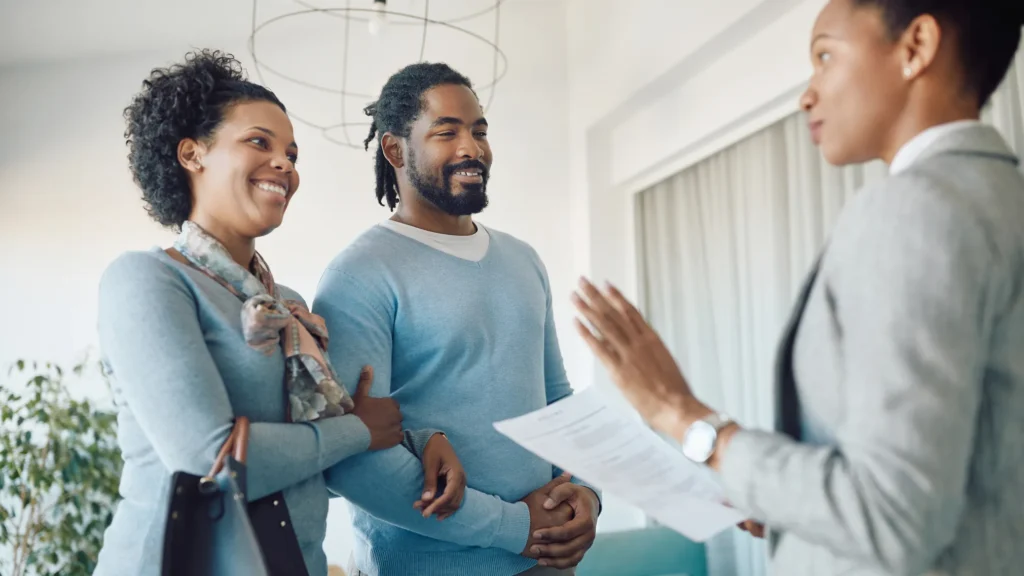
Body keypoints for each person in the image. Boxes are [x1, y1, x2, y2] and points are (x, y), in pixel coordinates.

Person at [572, 0, 1024, 575]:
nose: (806, 95)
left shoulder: (913, 208)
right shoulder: (1003, 199)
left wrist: (686, 419)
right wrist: (769, 488)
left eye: (825, 56)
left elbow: (892, 516)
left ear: (916, 48)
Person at [94, 50, 464, 576]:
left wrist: (423, 442)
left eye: (291, 152)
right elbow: (211, 462)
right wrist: (357, 432)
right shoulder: (147, 281)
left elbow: (325, 447)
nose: (285, 164)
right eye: (258, 143)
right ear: (192, 155)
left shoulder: (288, 305)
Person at [311, 62, 602, 575]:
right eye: (447, 132)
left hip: (547, 564)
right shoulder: (358, 275)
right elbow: (354, 459)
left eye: (480, 130)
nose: (472, 147)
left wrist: (588, 493)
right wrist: (515, 528)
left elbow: (555, 399)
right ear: (395, 150)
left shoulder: (523, 259)